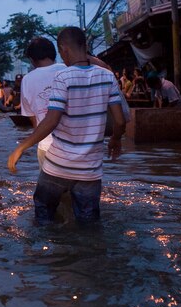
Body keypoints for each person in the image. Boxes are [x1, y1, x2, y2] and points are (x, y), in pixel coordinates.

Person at [7, 27, 126, 225]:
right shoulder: (107, 77)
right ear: (85, 46)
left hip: (58, 165)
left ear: (63, 49)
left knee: (44, 217)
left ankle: (51, 245)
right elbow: (120, 121)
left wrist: (22, 147)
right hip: (90, 170)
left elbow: (51, 121)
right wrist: (115, 140)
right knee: (88, 224)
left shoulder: (63, 77)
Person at [20, 36, 66, 167]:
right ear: (54, 53)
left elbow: (33, 119)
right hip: (76, 145)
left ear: (32, 59)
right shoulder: (68, 69)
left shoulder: (27, 80)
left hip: (46, 145)